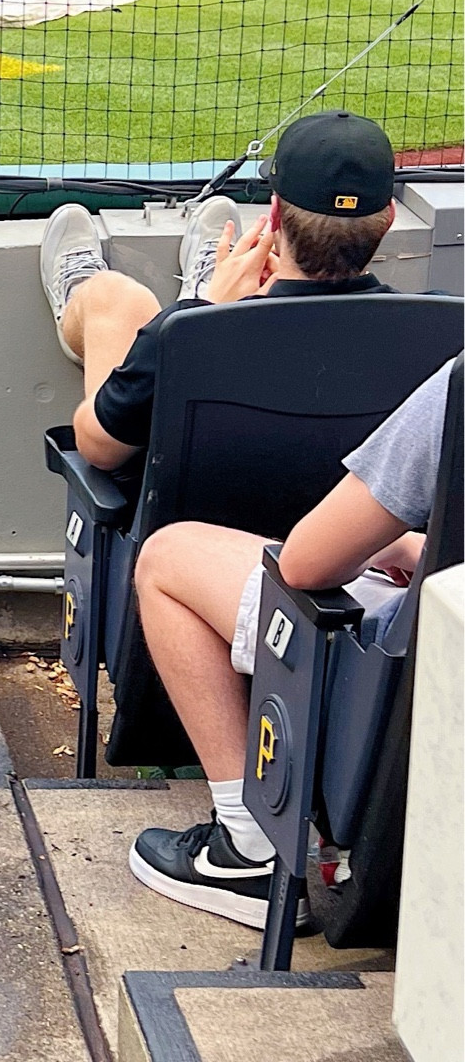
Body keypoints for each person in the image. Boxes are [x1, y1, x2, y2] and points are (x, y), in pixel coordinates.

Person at [127, 355, 456, 926]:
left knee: (168, 557)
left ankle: (246, 849)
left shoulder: (454, 389)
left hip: (407, 681)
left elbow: (306, 565)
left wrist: (402, 545)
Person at [40, 110, 399, 482]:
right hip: (359, 538)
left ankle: (193, 287)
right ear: (388, 218)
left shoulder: (180, 336)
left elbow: (98, 449)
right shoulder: (441, 333)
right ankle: (207, 282)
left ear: (273, 215)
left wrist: (207, 313)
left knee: (112, 296)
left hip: (191, 533)